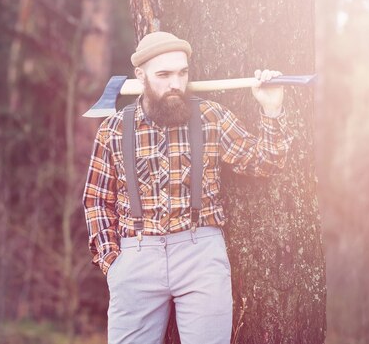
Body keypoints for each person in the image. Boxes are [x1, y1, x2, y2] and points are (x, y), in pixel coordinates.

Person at [82, 31, 293, 344]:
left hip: (200, 254)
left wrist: (271, 109)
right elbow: (96, 199)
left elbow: (265, 162)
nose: (175, 84)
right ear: (140, 76)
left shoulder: (209, 116)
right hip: (135, 257)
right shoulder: (113, 129)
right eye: (163, 75)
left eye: (182, 73)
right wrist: (112, 261)